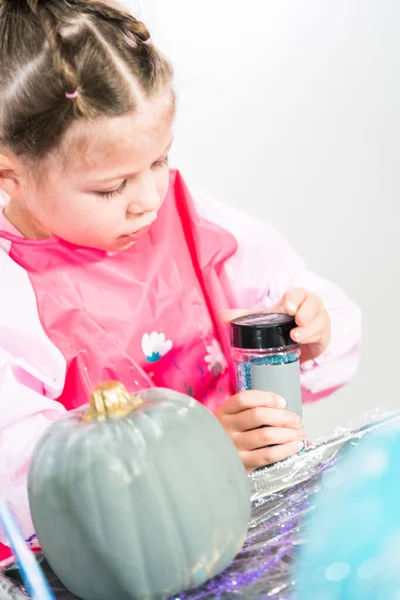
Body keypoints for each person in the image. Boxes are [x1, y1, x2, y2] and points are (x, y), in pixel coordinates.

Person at [0, 0, 361, 562]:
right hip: (113, 561)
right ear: (10, 176)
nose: (147, 200)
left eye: (159, 161)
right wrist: (201, 453)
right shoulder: (13, 292)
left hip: (245, 525)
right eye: (110, 188)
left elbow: (296, 301)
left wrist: (309, 330)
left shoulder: (191, 219)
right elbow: (38, 480)